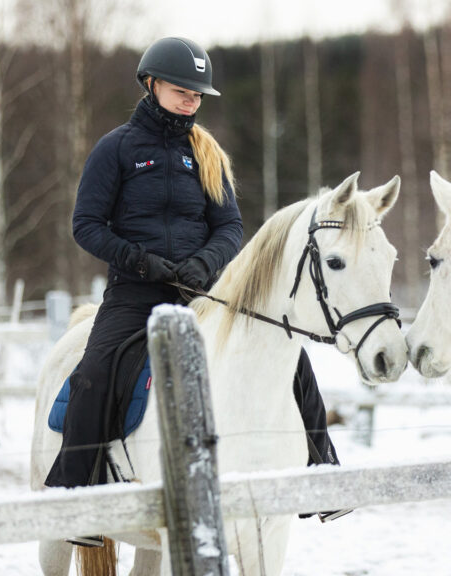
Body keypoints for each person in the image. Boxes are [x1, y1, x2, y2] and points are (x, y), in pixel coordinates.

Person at [45, 37, 342, 543]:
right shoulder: (115, 149)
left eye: (198, 93)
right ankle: (73, 499)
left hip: (198, 290)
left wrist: (205, 264)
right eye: (183, 90)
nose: (191, 100)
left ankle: (323, 471)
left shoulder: (207, 153)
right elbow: (86, 225)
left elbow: (229, 226)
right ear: (151, 84)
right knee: (94, 373)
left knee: (288, 351)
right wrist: (139, 260)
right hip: (134, 293)